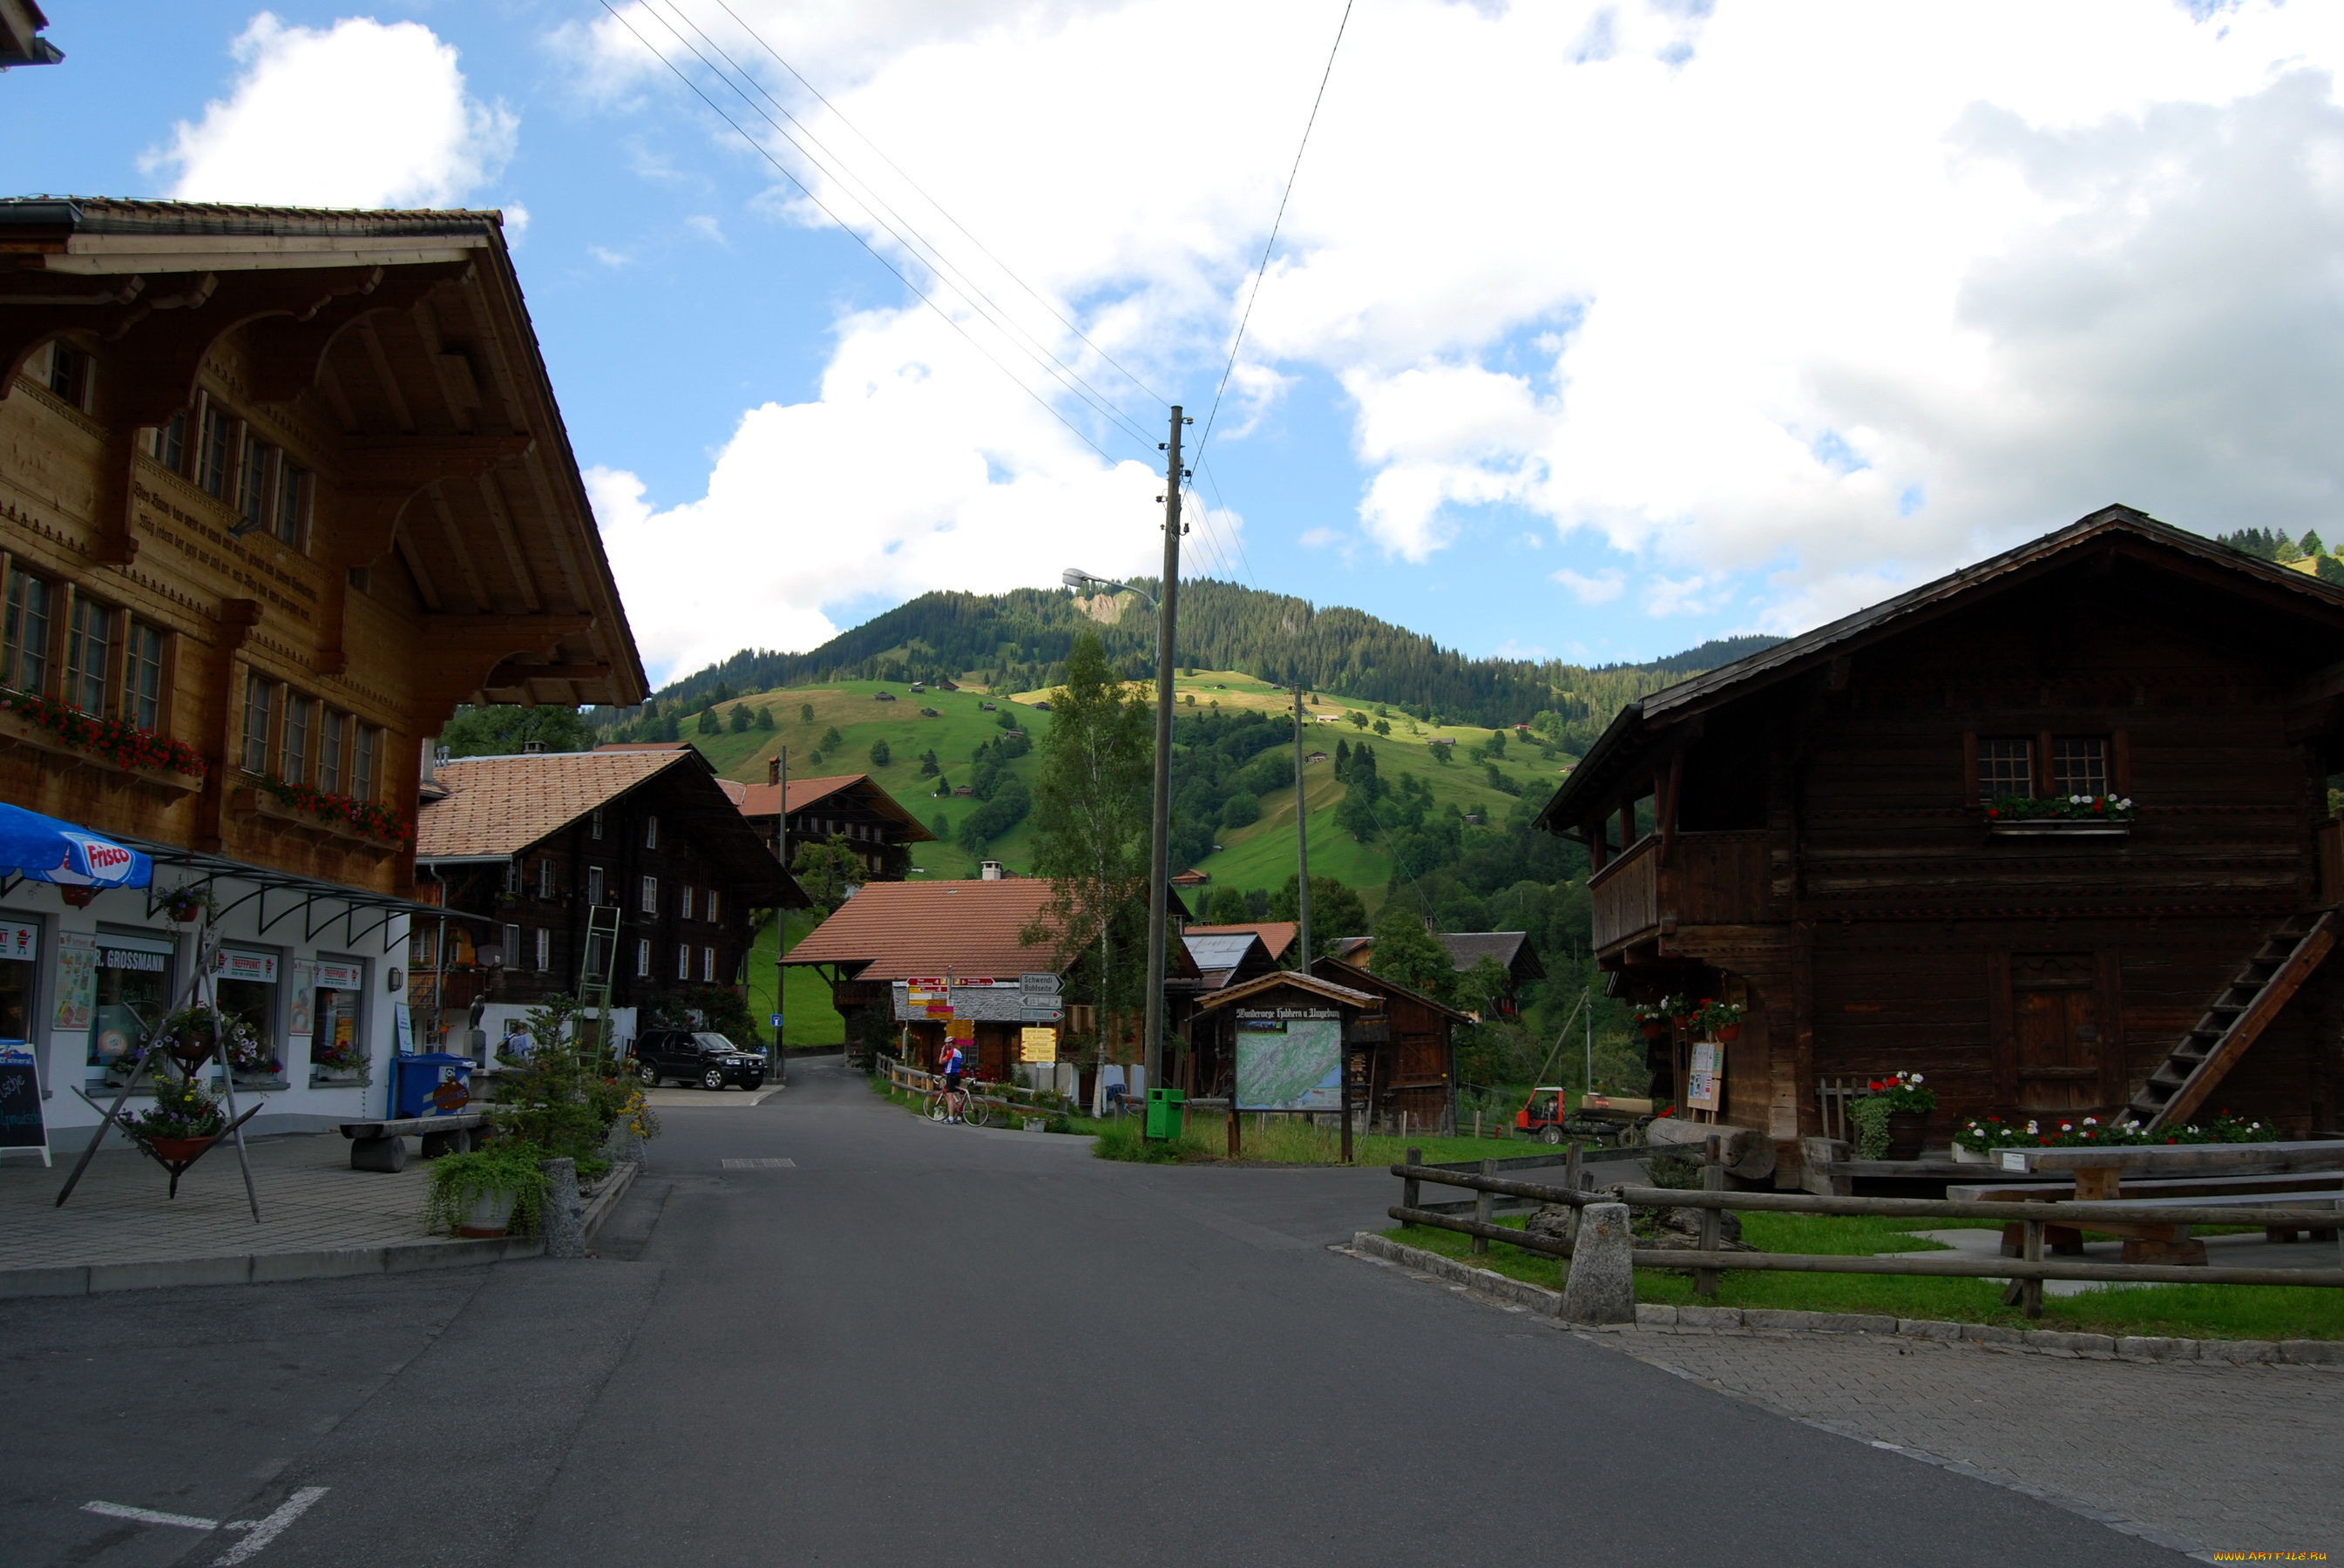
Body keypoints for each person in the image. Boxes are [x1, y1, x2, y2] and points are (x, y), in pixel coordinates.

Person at [938, 1041, 967, 1122]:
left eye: (947, 1043)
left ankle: (950, 1118)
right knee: (957, 1096)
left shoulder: (952, 1052)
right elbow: (951, 1062)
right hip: (957, 1074)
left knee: (950, 1096)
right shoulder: (959, 1052)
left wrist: (942, 1052)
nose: (946, 1045)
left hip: (951, 1074)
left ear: (950, 1044)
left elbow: (941, 1061)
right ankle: (959, 1117)